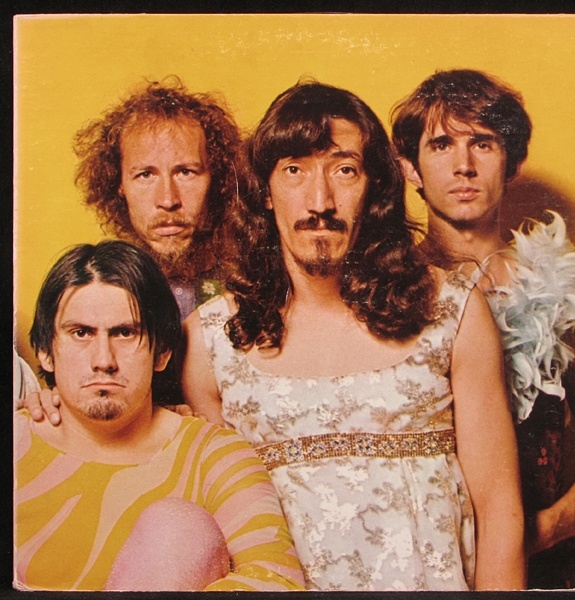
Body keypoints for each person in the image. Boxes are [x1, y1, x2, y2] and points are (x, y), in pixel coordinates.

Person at [181, 81, 525, 591]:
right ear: (265, 192)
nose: (320, 201)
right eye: (294, 170)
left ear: (376, 188)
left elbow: (500, 513)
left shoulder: (451, 311)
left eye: (344, 170)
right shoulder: (210, 341)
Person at [390, 68, 575, 589]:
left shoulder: (564, 291)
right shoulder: (385, 293)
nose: (464, 165)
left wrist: (541, 530)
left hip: (548, 564)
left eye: (483, 143)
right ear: (409, 167)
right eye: (441, 145)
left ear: (513, 161)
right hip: (423, 564)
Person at [14, 240, 305, 592]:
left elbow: (277, 581)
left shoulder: (214, 455)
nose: (103, 360)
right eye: (81, 333)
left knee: (176, 528)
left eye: (125, 333)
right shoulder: (17, 441)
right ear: (45, 351)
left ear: (162, 352)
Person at [20, 77, 241, 411]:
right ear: (118, 184)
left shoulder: (255, 283)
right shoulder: (92, 284)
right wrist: (53, 401)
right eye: (145, 175)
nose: (168, 199)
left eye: (186, 172)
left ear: (219, 179)